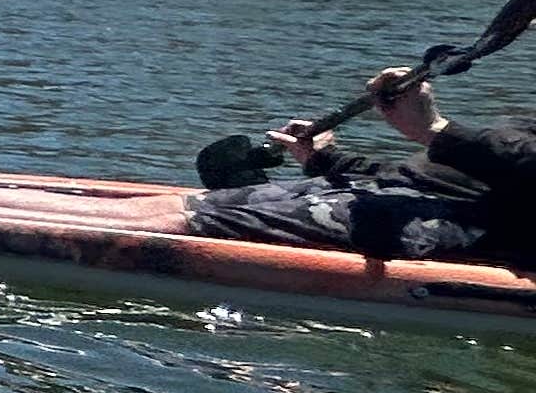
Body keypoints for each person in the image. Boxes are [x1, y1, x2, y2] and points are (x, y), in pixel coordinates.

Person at [185, 68, 536, 266]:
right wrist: (327, 160)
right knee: (191, 205)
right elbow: (454, 179)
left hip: (468, 231)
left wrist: (434, 130)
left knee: (196, 221)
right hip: (401, 196)